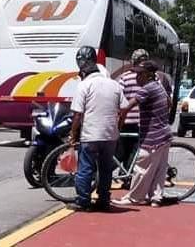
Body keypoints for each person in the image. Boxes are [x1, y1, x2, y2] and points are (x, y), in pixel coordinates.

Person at [67, 46, 129, 212]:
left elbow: (78, 115)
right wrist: (118, 126)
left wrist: (73, 135)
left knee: (85, 168)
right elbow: (124, 108)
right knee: (106, 168)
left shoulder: (84, 86)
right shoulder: (114, 85)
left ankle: (83, 201)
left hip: (91, 135)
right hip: (110, 136)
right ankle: (103, 200)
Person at [113, 61, 173, 208]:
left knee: (141, 168)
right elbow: (170, 103)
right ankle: (156, 198)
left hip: (153, 136)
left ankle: (134, 198)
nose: (136, 77)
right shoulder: (159, 86)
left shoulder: (147, 89)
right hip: (164, 134)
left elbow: (126, 107)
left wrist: (117, 125)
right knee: (159, 169)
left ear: (147, 75)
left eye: (139, 74)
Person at [116, 49, 150, 185]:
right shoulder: (150, 77)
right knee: (135, 150)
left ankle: (124, 173)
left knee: (122, 149)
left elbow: (118, 97)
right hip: (142, 120)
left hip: (125, 119)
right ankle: (128, 176)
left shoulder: (124, 77)